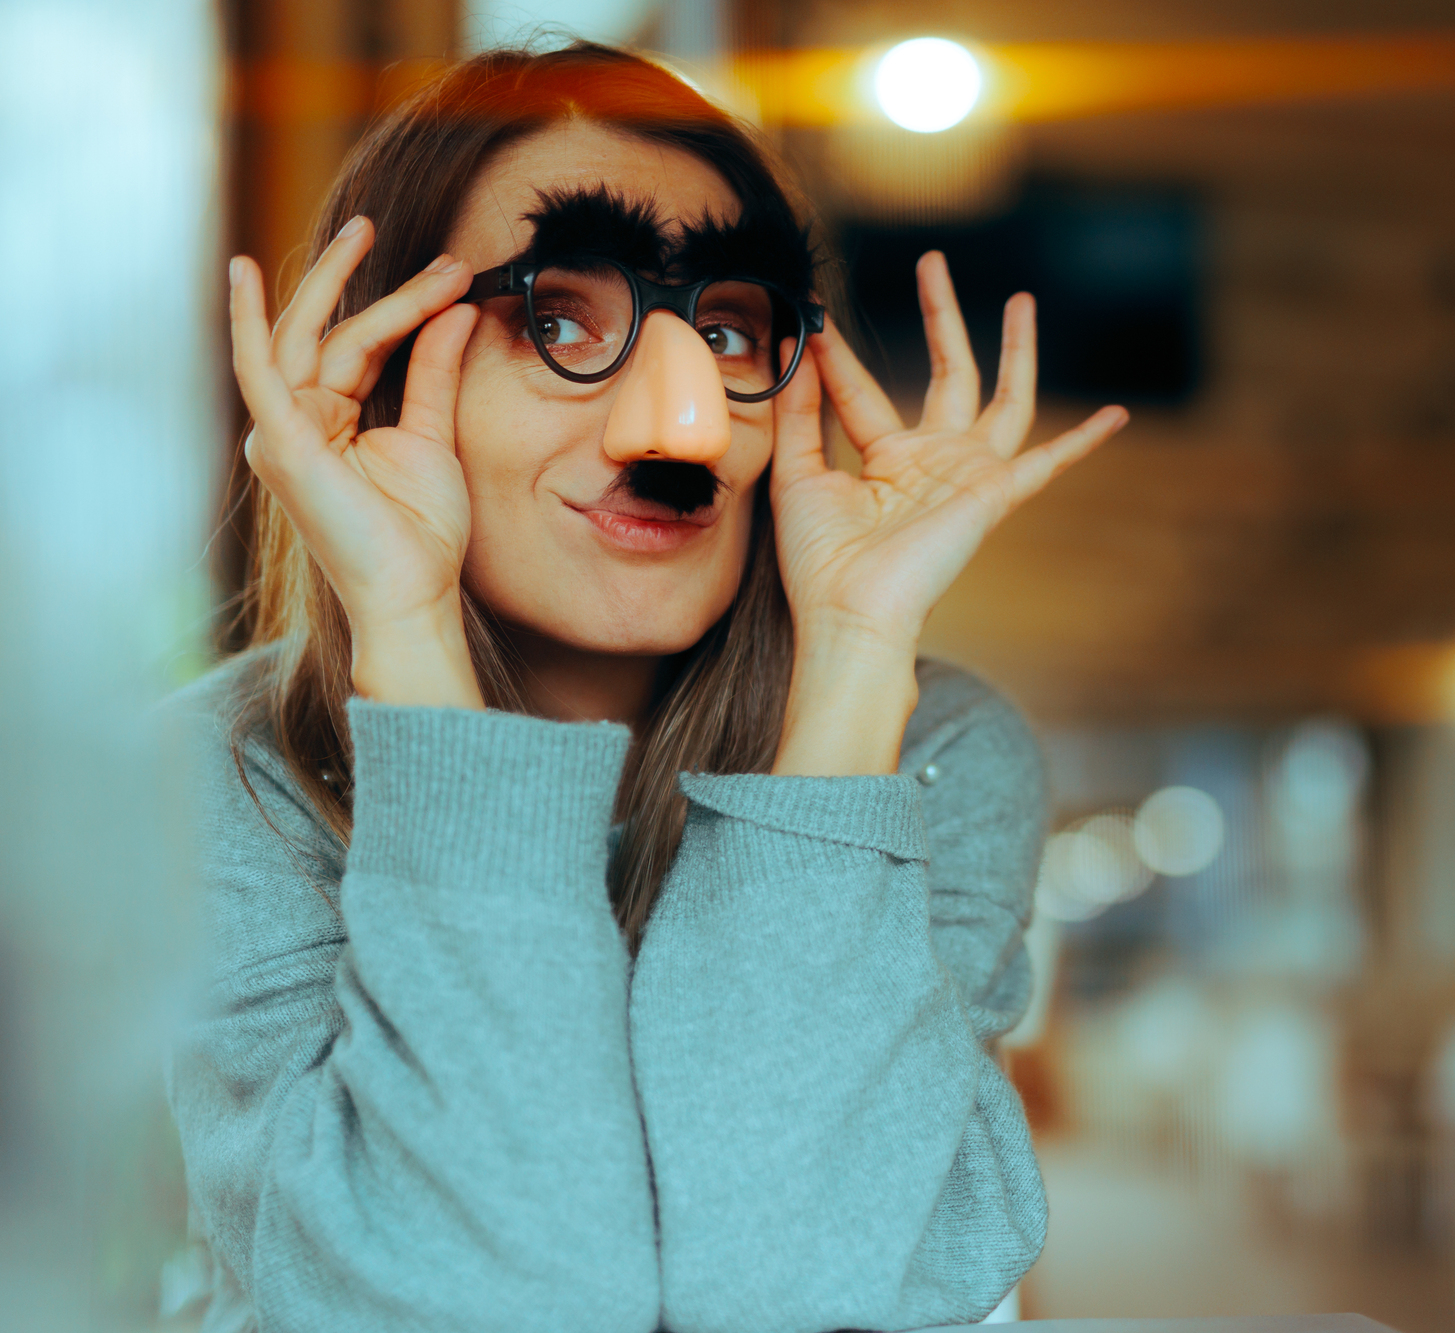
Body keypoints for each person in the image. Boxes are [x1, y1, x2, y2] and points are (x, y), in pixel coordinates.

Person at [166, 41, 1127, 1333]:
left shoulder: (939, 745)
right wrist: (407, 628)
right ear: (384, 368)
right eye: (558, 319)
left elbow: (799, 1290)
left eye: (729, 329)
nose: (676, 426)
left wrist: (850, 659)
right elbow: (473, 1302)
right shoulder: (215, 770)